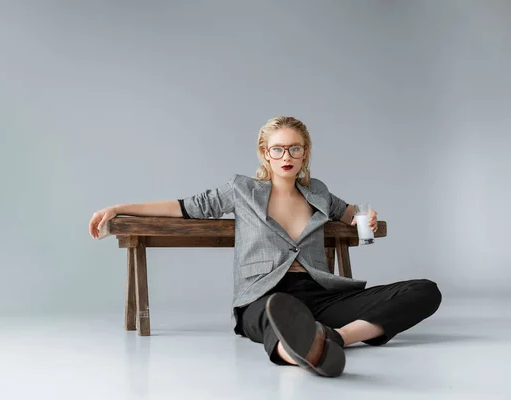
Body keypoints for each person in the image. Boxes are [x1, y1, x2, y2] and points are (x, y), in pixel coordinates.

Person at [89, 116, 442, 378]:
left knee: (424, 291)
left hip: (320, 295)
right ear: (265, 153)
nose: (286, 155)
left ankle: (334, 338)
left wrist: (365, 216)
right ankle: (299, 351)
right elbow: (183, 206)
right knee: (278, 311)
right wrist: (119, 208)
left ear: (305, 154)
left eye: (295, 148)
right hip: (263, 294)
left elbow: (352, 213)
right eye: (278, 148)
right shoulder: (243, 190)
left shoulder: (317, 191)